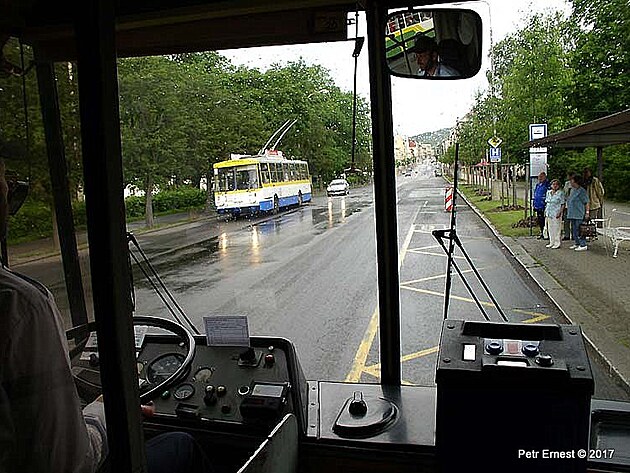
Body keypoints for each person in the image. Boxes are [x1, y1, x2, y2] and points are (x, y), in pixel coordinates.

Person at [0, 158, 213, 473]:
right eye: (4, 176)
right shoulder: (22, 306)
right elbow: (67, 462)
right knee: (180, 443)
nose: (11, 187)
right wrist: (105, 411)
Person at [566, 174, 590, 252]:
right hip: (572, 213)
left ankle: (583, 244)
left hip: (579, 213)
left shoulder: (582, 191)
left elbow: (586, 202)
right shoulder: (572, 190)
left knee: (580, 229)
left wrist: (587, 212)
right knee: (574, 229)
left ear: (576, 181)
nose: (570, 182)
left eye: (572, 180)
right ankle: (577, 243)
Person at [544, 179, 566, 249]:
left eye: (556, 184)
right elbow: (547, 203)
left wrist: (560, 212)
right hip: (549, 212)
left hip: (556, 212)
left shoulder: (561, 193)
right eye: (553, 184)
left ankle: (557, 242)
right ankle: (551, 242)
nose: (555, 186)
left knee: (556, 228)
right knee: (550, 228)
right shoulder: (548, 192)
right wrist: (545, 211)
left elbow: (563, 204)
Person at [532, 171, 550, 239]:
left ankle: (546, 233)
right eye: (539, 177)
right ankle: (542, 232)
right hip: (538, 205)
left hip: (543, 205)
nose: (540, 178)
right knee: (540, 220)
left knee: (544, 220)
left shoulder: (547, 185)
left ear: (545, 177)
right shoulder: (538, 185)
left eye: (541, 177)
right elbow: (536, 194)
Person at [562, 171, 575, 240]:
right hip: (567, 204)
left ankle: (574, 235)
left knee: (573, 221)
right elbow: (564, 193)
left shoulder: (576, 185)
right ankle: (566, 235)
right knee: (566, 221)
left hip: (573, 206)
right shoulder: (566, 184)